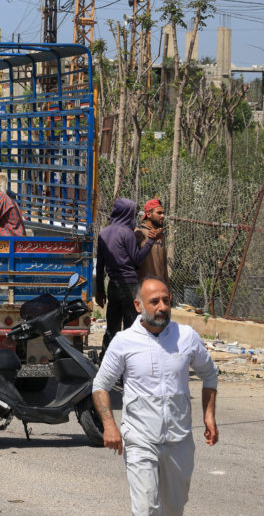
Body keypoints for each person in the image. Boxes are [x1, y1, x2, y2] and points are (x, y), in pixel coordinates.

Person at [92, 276, 219, 515]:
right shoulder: (123, 342)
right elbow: (100, 385)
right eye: (154, 302)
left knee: (173, 509)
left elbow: (210, 374)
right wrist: (109, 424)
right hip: (140, 439)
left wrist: (209, 415)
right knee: (146, 509)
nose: (162, 307)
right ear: (138, 306)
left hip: (179, 440)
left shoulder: (186, 337)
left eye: (165, 300)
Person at [96, 198, 162, 353]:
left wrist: (99, 290)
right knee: (131, 327)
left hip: (113, 286)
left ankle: (105, 360)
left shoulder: (104, 233)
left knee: (112, 326)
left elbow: (100, 266)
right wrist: (150, 241)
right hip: (130, 286)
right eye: (133, 212)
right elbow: (137, 260)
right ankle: (128, 364)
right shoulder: (127, 233)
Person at [135, 198, 168, 285]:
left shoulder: (162, 235)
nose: (163, 216)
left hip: (160, 286)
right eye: (159, 213)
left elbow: (164, 264)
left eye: (163, 213)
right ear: (149, 214)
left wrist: (168, 285)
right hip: (144, 288)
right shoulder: (138, 232)